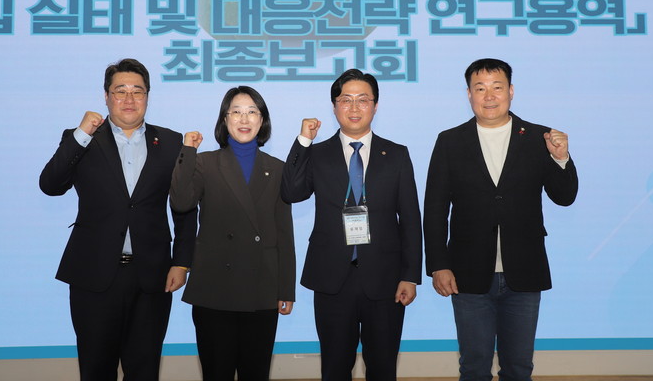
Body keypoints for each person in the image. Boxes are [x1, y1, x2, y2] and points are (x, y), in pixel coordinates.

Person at [39, 58, 196, 381]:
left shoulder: (170, 142)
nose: (129, 99)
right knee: (96, 368)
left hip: (151, 275)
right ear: (106, 96)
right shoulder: (82, 138)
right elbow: (51, 185)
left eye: (137, 91)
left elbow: (184, 207)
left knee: (144, 369)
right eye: (119, 91)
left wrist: (181, 262)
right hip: (93, 274)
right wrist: (81, 134)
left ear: (148, 96)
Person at [423, 58, 579, 381]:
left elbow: (564, 197)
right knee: (474, 366)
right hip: (467, 274)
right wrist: (438, 265)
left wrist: (561, 158)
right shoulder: (450, 141)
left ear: (511, 91)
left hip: (524, 270)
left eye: (497, 87)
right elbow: (435, 209)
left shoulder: (538, 137)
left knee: (519, 367)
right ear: (469, 94)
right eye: (480, 88)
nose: (489, 96)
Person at [280, 68, 422, 381]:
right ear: (334, 107)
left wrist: (410, 276)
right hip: (332, 279)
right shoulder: (317, 153)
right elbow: (290, 192)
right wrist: (303, 140)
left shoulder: (396, 154)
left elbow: (411, 219)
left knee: (383, 368)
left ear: (375, 106)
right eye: (346, 100)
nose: (354, 107)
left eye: (363, 100)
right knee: (334, 368)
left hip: (385, 279)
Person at [170, 86, 296, 381]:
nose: (244, 119)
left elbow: (284, 232)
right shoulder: (204, 162)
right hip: (215, 289)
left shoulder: (277, 169)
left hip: (261, 289)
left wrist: (286, 289)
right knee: (217, 373)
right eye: (236, 112)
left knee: (256, 373)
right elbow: (181, 202)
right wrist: (187, 151)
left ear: (262, 120)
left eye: (252, 112)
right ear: (224, 120)